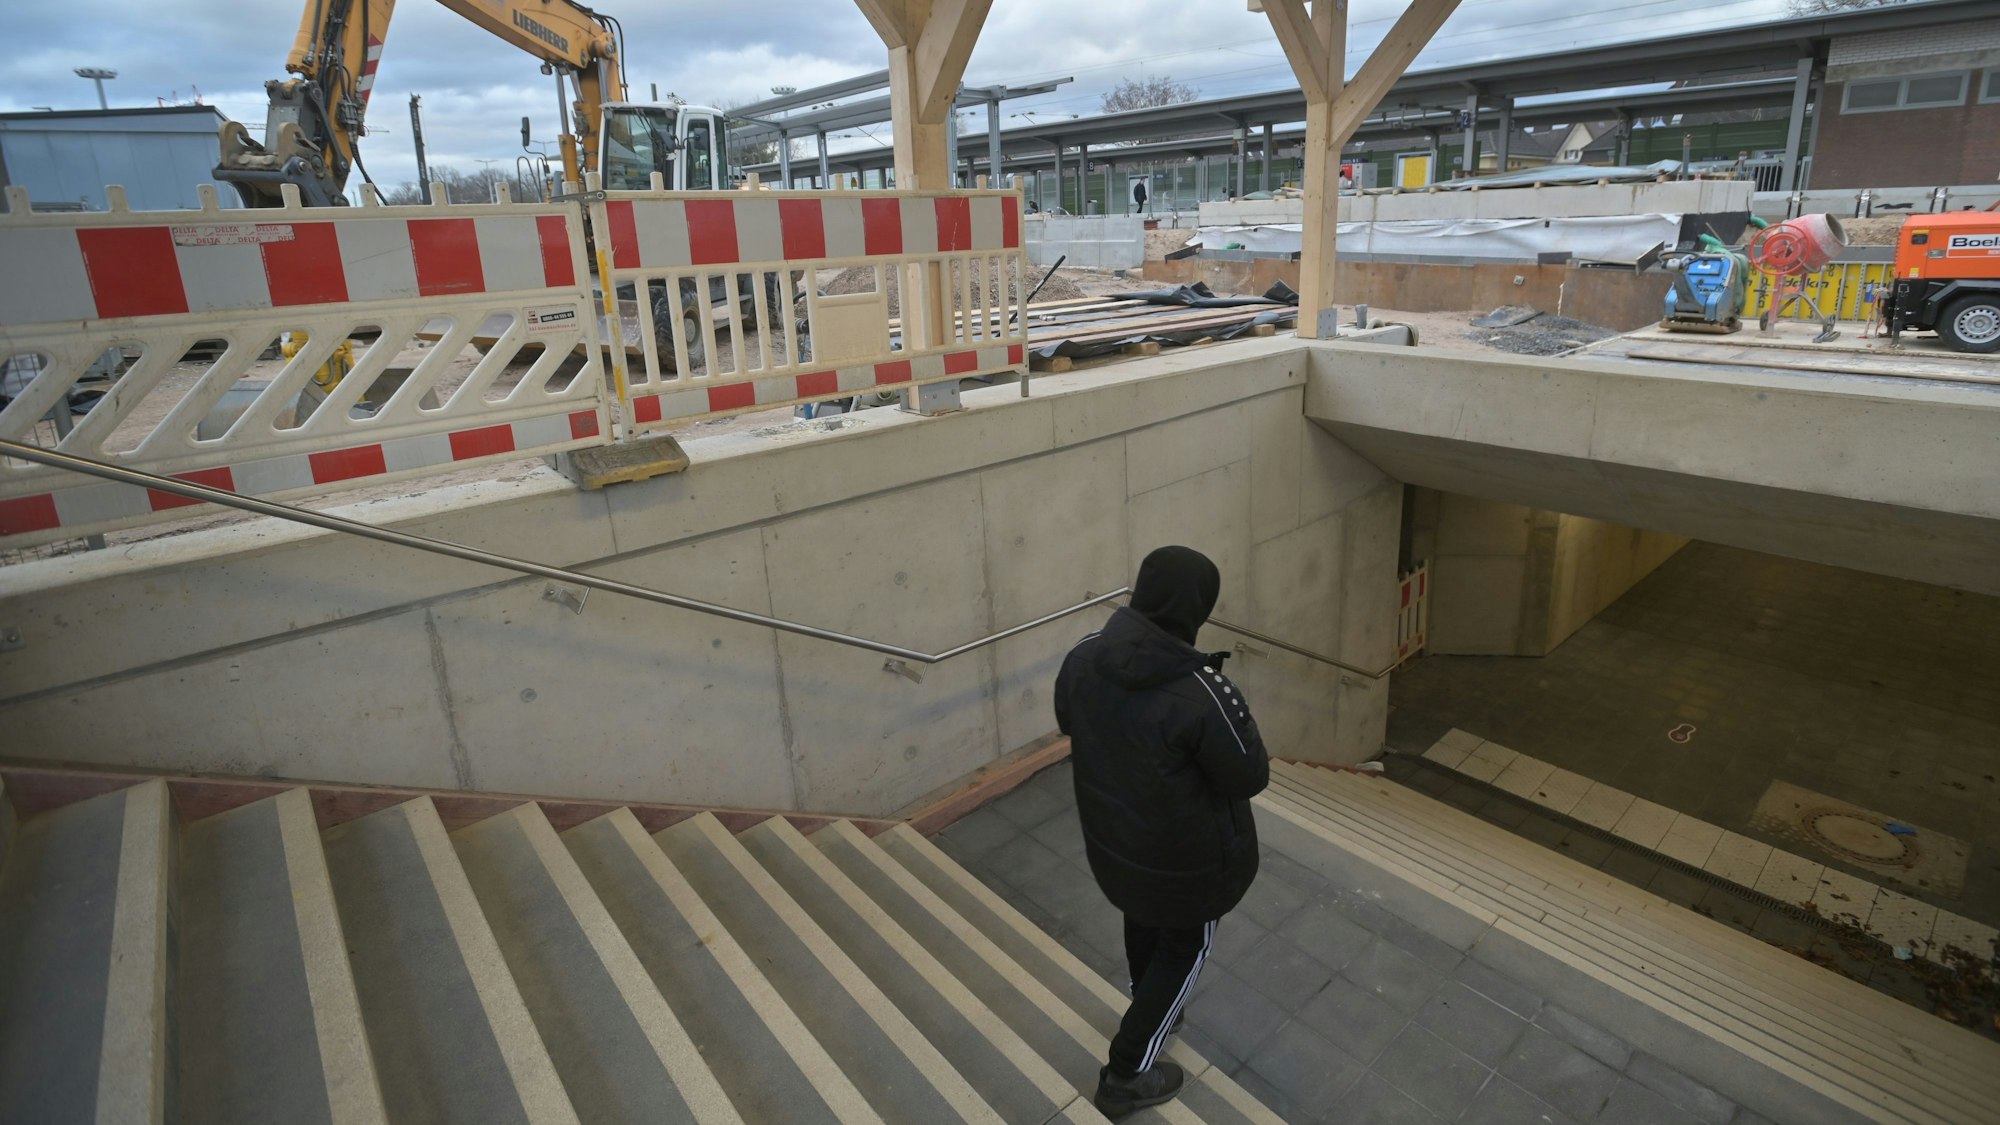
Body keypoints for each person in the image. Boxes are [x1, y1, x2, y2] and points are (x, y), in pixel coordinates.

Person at [1055, 545, 1270, 1119]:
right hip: (1190, 865)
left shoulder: (1083, 656)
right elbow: (1250, 776)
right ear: (1196, 610)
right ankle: (1128, 1071)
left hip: (1115, 843)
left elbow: (1068, 720)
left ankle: (1148, 1005)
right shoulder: (1203, 693)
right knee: (1184, 947)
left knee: (1142, 919)